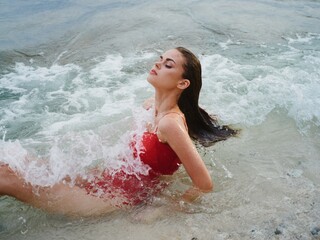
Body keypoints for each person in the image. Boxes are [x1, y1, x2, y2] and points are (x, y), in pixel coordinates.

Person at [0, 47, 237, 217]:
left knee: (6, 181)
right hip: (101, 180)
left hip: (109, 200)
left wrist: (162, 207)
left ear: (182, 83)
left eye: (168, 65)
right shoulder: (150, 107)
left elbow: (204, 184)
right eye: (160, 59)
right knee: (8, 164)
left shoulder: (170, 124)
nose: (157, 64)